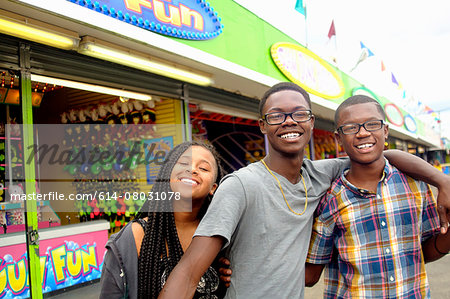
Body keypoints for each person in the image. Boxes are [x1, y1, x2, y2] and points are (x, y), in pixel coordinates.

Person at [158, 82, 450, 299]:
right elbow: (189, 272)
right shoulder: (241, 185)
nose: (289, 121)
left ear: (311, 122)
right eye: (276, 116)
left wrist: (444, 182)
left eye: (299, 114)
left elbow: (383, 155)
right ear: (262, 125)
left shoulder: (321, 175)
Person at [305, 95, 450, 298]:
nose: (363, 133)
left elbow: (423, 252)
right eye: (350, 128)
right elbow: (311, 274)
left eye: (372, 124)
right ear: (338, 139)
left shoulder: (416, 185)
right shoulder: (330, 199)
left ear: (385, 131)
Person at [99, 141, 228, 299]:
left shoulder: (220, 235)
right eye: (183, 163)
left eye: (203, 168)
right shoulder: (134, 237)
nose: (192, 169)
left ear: (213, 188)